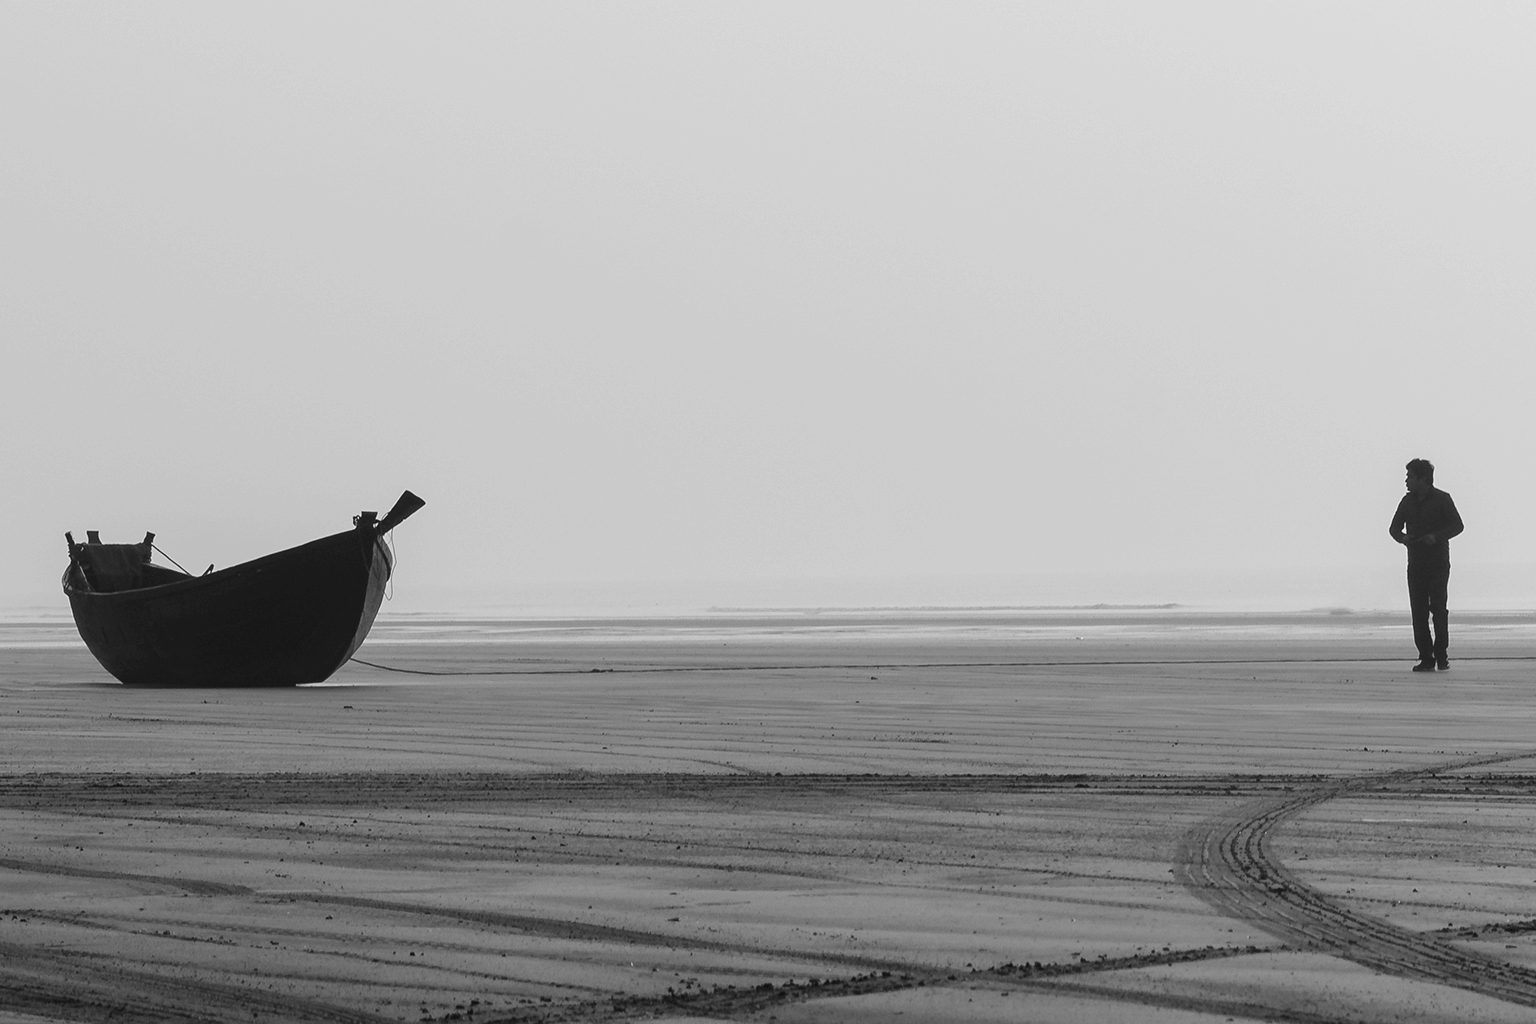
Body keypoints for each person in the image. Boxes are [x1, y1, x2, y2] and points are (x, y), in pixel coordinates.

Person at [1388, 459, 1464, 672]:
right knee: (1418, 612)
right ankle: (1426, 658)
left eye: (1410, 477)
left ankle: (1441, 656)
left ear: (1423, 479)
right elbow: (1394, 529)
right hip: (1416, 563)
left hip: (1438, 562)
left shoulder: (1442, 499)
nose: (1406, 481)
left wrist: (1436, 537)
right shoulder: (1406, 502)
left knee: (1438, 609)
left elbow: (1458, 525)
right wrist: (1404, 538)